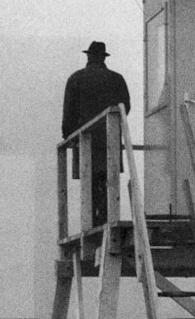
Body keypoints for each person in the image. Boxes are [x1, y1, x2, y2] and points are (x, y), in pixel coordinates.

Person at [62, 41, 131, 226]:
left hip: (86, 141)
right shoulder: (117, 79)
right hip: (110, 140)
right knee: (108, 182)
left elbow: (68, 113)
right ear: (103, 57)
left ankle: (93, 223)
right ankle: (106, 220)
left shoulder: (76, 78)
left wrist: (69, 136)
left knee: (89, 183)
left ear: (88, 56)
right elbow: (125, 107)